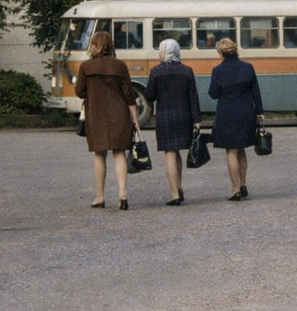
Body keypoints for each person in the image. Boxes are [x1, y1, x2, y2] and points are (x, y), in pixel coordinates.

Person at [75, 30, 140, 210]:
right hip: (119, 114)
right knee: (119, 154)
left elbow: (79, 92)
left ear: (94, 46)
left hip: (96, 115)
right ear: (111, 46)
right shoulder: (120, 66)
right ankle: (122, 193)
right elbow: (129, 95)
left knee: (99, 154)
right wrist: (135, 119)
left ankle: (100, 196)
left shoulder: (86, 67)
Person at [143, 39, 202, 206]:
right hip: (184, 116)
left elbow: (150, 96)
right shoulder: (187, 71)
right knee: (178, 155)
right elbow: (193, 97)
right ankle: (179, 187)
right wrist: (197, 119)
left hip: (165, 118)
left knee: (170, 154)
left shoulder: (156, 71)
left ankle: (175, 193)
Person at [208, 37, 264, 201]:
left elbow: (214, 94)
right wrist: (259, 111)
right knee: (242, 148)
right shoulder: (248, 67)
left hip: (228, 112)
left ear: (221, 52)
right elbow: (255, 91)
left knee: (231, 151)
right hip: (247, 111)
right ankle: (243, 184)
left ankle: (234, 189)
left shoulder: (218, 70)